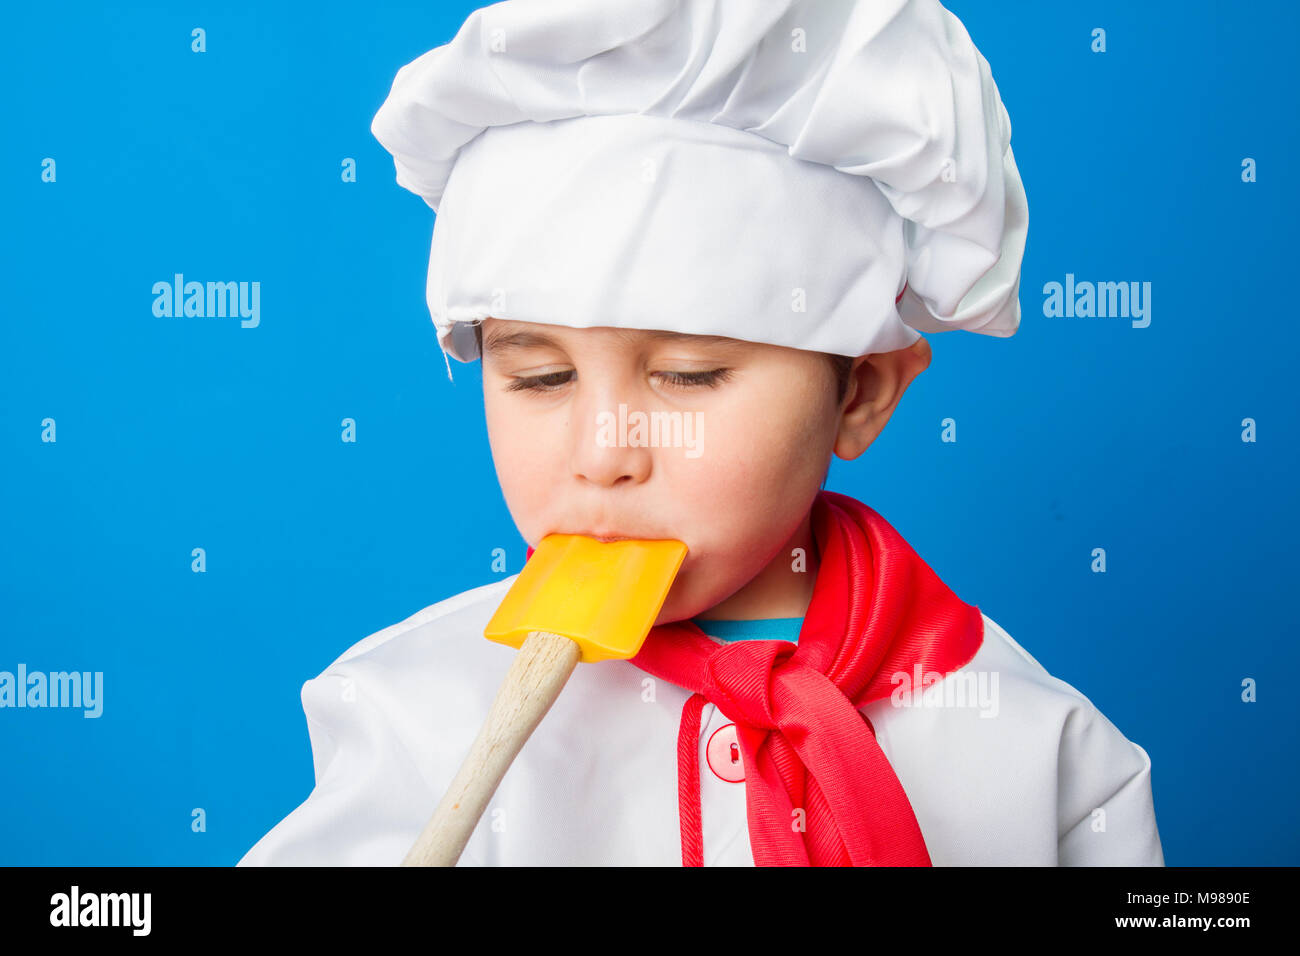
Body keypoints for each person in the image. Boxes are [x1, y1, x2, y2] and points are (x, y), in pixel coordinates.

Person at [239, 0, 1163, 866]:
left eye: (687, 375)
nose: (604, 452)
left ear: (861, 394)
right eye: (540, 376)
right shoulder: (410, 716)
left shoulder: (1041, 752)